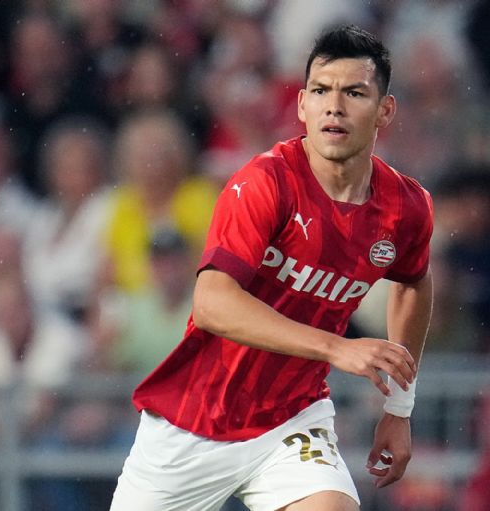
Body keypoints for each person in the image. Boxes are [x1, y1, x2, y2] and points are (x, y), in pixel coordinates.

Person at [110, 25, 434, 511]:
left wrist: (399, 408)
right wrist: (337, 348)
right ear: (301, 105)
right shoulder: (264, 183)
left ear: (385, 111)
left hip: (292, 419)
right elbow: (213, 303)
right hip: (193, 421)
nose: (334, 107)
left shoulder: (406, 208)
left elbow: (413, 283)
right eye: (321, 91)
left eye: (354, 93)